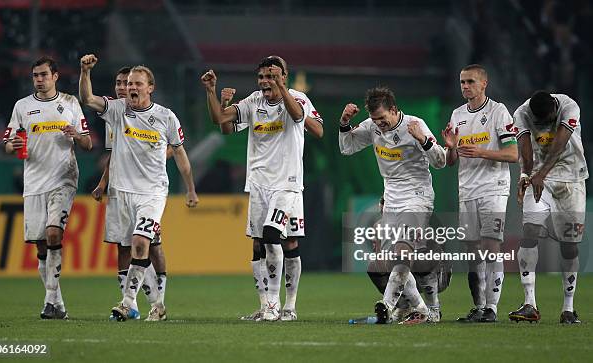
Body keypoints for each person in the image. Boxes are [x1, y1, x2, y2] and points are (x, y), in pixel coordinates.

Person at [79, 54, 198, 321]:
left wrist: (190, 188)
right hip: (121, 193)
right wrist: (85, 72)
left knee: (141, 241)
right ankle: (157, 305)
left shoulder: (166, 117)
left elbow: (180, 154)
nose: (131, 87)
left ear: (150, 87)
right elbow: (88, 99)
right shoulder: (119, 110)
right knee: (131, 247)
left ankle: (128, 302)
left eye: (137, 83)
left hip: (152, 193)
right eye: (129, 83)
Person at [201, 56, 320, 321]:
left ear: (284, 76)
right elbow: (222, 123)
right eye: (262, 77)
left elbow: (300, 117)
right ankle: (266, 303)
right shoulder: (254, 101)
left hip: (287, 184)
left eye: (272, 76)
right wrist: (212, 93)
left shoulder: (298, 99)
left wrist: (283, 87)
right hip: (258, 184)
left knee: (276, 236)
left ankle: (284, 305)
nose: (266, 81)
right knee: (258, 245)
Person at [339, 86, 446, 324]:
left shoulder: (415, 125)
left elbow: (440, 161)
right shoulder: (371, 126)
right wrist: (345, 122)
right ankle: (421, 308)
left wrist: (423, 140)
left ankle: (387, 304)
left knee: (402, 251)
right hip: (391, 199)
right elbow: (347, 148)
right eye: (375, 119)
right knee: (381, 263)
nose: (379, 124)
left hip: (417, 196)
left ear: (394, 110)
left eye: (382, 118)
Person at [3, 56, 92, 319]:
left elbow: (87, 143)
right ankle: (58, 303)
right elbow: (9, 143)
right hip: (34, 182)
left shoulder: (69, 103)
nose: (39, 79)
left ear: (55, 77)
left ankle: (49, 301)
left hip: (64, 178)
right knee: (41, 246)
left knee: (54, 234)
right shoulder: (22, 106)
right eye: (35, 75)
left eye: (43, 75)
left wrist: (76, 135)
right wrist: (13, 147)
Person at [442, 64, 518, 323]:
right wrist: (451, 148)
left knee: (490, 247)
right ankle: (479, 306)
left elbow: (513, 154)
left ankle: (492, 308)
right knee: (473, 253)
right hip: (467, 190)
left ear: (484, 84)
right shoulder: (457, 114)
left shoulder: (498, 112)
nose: (465, 86)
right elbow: (451, 161)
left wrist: (482, 152)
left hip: (493, 188)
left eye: (470, 82)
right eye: (462, 82)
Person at [508, 91, 586, 324]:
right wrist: (525, 174)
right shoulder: (521, 113)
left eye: (547, 121)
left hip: (571, 178)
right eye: (538, 123)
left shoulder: (569, 106)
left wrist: (541, 174)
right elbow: (525, 149)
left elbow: (560, 144)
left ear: (554, 108)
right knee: (530, 232)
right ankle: (529, 303)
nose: (543, 127)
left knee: (569, 245)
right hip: (538, 180)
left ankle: (568, 308)